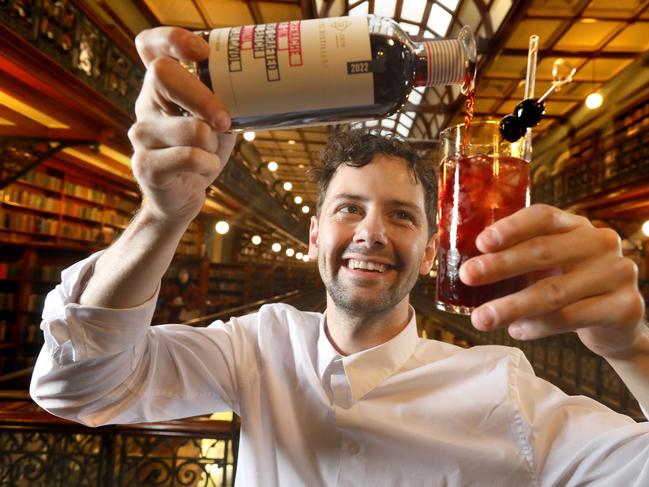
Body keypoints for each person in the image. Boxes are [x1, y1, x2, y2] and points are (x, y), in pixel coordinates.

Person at [30, 27, 649, 486]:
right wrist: (161, 218)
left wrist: (632, 347)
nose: (372, 232)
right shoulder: (256, 347)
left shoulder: (503, 388)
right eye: (349, 208)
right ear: (313, 236)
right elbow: (77, 388)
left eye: (402, 215)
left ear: (433, 250)